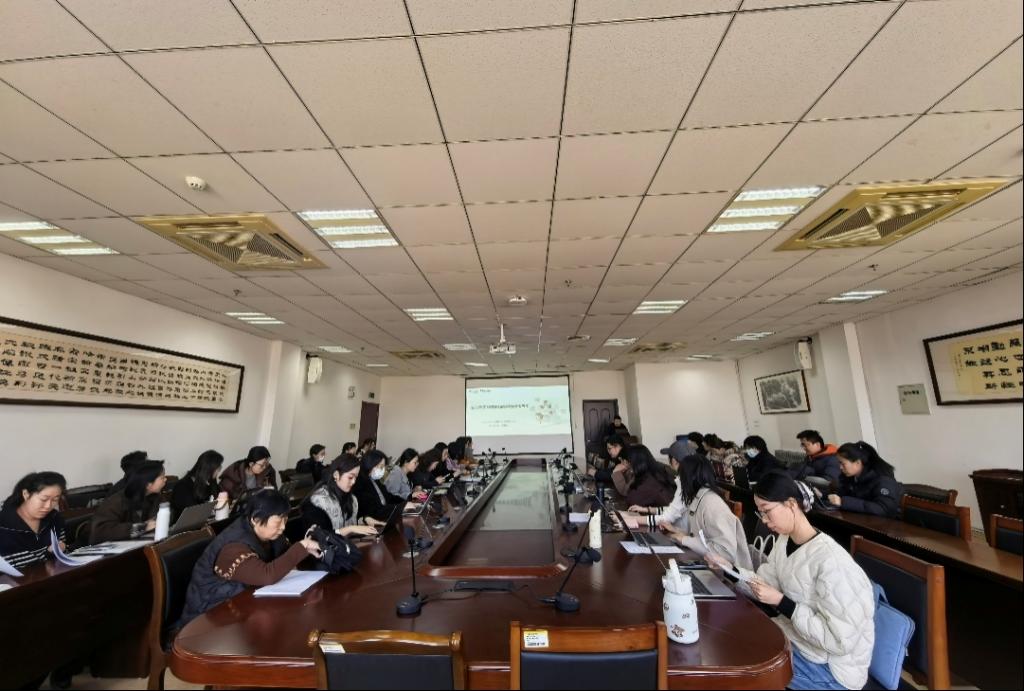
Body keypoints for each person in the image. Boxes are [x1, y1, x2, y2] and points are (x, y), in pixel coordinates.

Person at [707, 472, 874, 690]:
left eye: (767, 511)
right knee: (731, 637)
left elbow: (840, 640)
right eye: (760, 513)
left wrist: (782, 602)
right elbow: (765, 583)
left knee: (743, 664)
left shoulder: (833, 562)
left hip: (832, 670)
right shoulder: (785, 540)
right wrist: (731, 570)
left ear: (791, 504)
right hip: (801, 643)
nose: (764, 520)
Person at [177, 489, 321, 628]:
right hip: (207, 618)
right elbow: (266, 575)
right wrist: (300, 547)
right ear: (255, 519)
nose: (283, 527)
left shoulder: (269, 534)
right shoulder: (233, 546)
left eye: (285, 519)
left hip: (240, 605)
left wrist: (303, 551)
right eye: (278, 522)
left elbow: (283, 556)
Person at [633, 445, 752, 571]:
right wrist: (677, 531)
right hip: (708, 563)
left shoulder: (711, 505)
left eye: (682, 476)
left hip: (726, 574)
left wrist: (685, 539)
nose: (679, 480)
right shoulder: (699, 497)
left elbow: (725, 553)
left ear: (690, 478)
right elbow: (704, 537)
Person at [301, 455, 383, 538]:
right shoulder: (317, 501)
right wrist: (350, 529)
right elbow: (319, 537)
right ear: (336, 474)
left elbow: (350, 520)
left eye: (356, 478)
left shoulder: (351, 498)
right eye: (350, 477)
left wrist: (365, 519)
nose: (354, 482)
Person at [0, 471, 67, 569]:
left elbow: (61, 556)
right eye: (43, 499)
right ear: (26, 494)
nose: (48, 506)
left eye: (55, 500)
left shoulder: (55, 518)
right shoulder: (3, 525)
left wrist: (58, 550)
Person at [90, 460, 166, 543]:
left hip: (139, 543)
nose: (165, 479)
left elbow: (159, 519)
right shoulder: (116, 502)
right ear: (148, 484)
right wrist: (142, 527)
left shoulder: (155, 497)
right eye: (162, 477)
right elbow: (101, 532)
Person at [827, 442, 903, 518]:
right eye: (839, 463)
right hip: (861, 520)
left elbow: (883, 509)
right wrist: (825, 495)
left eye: (843, 464)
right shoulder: (850, 477)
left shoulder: (883, 480)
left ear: (858, 463)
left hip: (883, 523)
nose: (840, 467)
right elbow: (841, 494)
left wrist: (843, 502)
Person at [614, 445, 675, 509]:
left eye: (624, 461)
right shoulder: (652, 471)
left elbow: (631, 498)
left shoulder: (649, 480)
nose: (623, 464)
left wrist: (616, 473)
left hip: (663, 513)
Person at [353, 450, 406, 522]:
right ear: (370, 464)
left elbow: (390, 497)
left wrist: (405, 503)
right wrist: (401, 507)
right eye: (381, 467)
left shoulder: (375, 479)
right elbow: (375, 511)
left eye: (383, 467)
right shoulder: (360, 484)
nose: (383, 470)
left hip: (384, 517)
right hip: (373, 522)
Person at [171, 450, 224, 519]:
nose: (219, 470)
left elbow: (219, 499)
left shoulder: (211, 481)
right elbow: (193, 514)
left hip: (209, 522)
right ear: (208, 469)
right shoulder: (182, 487)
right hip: (189, 523)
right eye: (218, 467)